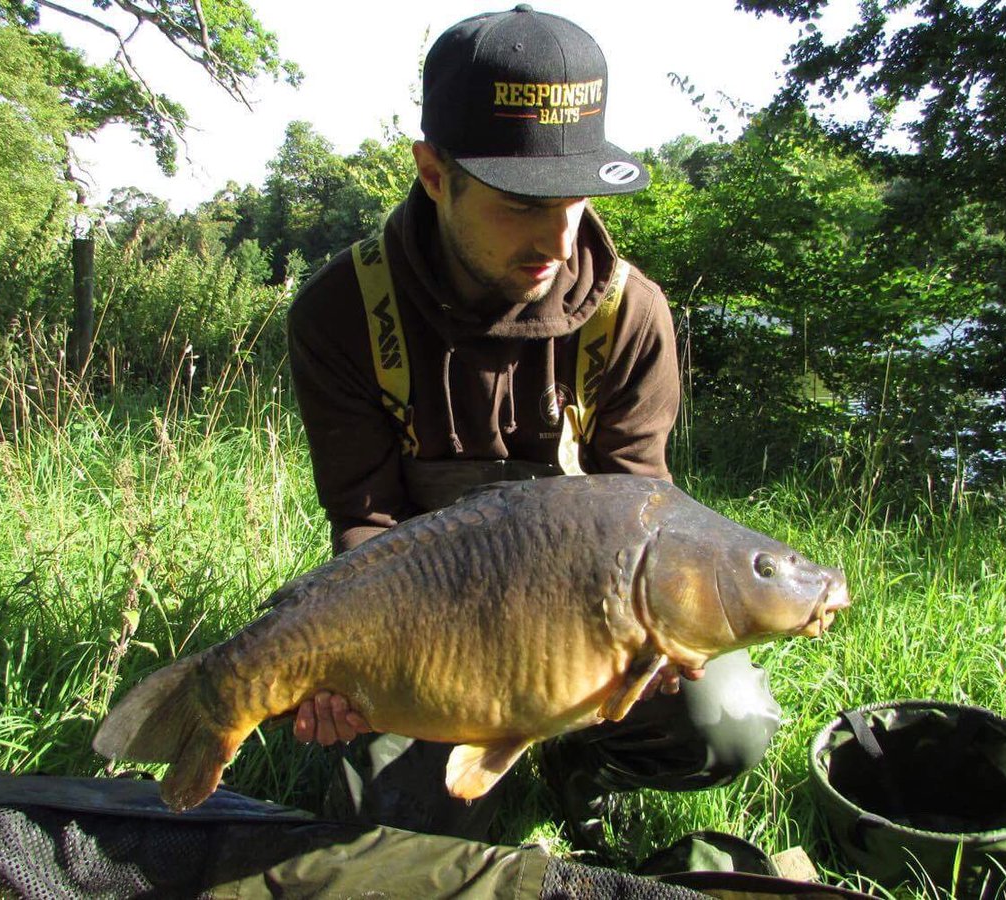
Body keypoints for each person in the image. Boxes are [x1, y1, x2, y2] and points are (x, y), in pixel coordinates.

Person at [286, 4, 780, 856]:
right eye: (520, 204)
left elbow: (645, 510)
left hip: (594, 625)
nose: (557, 238)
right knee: (398, 838)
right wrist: (347, 668)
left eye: (575, 199)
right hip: (428, 629)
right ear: (434, 173)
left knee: (725, 722)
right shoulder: (344, 311)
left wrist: (663, 640)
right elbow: (367, 523)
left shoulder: (631, 315)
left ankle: (578, 761)